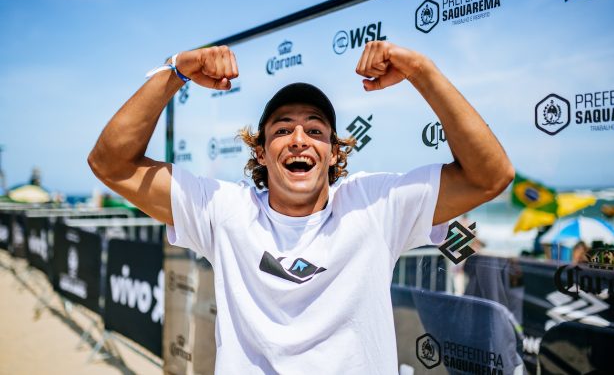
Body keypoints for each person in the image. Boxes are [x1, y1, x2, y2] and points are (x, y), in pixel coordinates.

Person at [88, 41, 514, 374]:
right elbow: (111, 163)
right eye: (282, 129)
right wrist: (176, 71)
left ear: (333, 154)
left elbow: (490, 176)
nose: (298, 139)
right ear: (260, 153)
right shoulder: (224, 209)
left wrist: (421, 71)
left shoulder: (374, 206)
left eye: (315, 129)